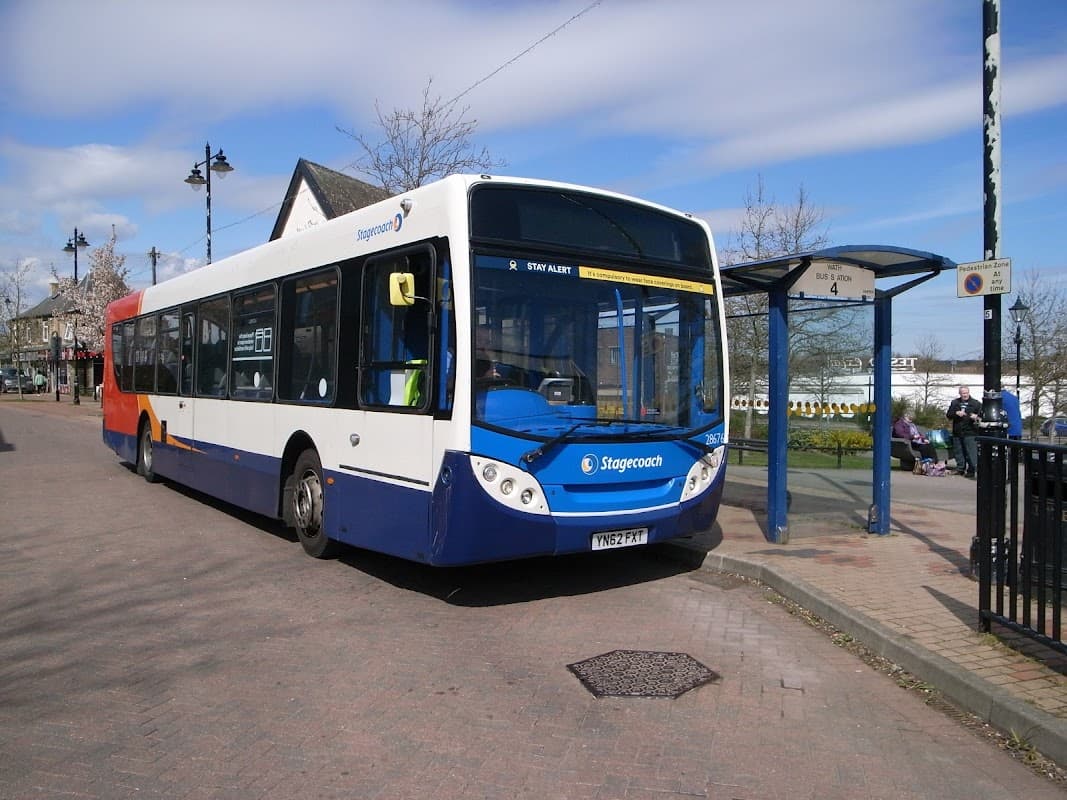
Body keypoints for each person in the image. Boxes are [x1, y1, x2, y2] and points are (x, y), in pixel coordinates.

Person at [946, 385, 983, 477]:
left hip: (970, 431)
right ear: (960, 393)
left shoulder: (976, 403)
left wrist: (976, 417)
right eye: (963, 393)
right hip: (957, 431)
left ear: (969, 392)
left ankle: (972, 470)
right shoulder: (955, 403)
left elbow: (982, 416)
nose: (965, 395)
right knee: (959, 452)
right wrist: (956, 413)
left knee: (971, 452)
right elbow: (949, 415)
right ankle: (960, 469)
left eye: (966, 393)